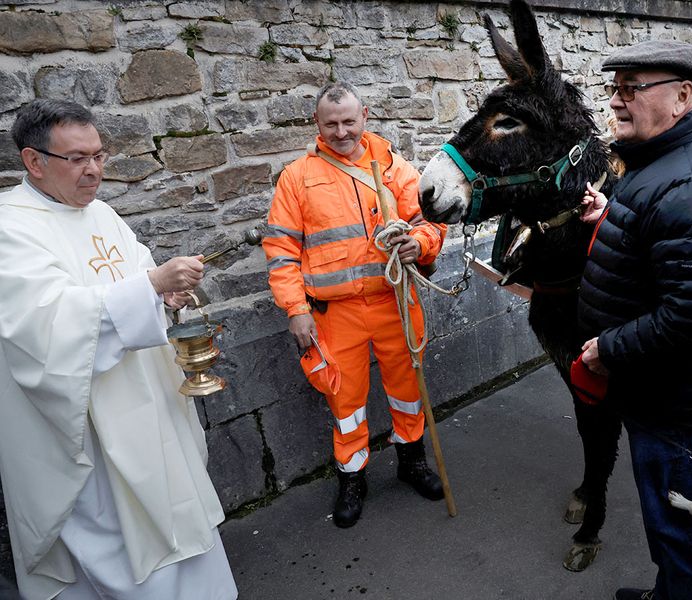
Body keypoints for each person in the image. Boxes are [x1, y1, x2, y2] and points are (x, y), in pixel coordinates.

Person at [0, 99, 238, 600]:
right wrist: (151, 284)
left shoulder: (102, 214)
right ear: (34, 161)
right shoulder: (11, 227)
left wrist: (165, 296)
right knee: (124, 554)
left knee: (181, 524)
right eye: (78, 158)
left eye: (100, 155)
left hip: (150, 411)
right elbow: (43, 327)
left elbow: (138, 284)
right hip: (91, 433)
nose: (94, 171)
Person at [578, 41, 692, 600]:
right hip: (664, 391)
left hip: (670, 398)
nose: (618, 101)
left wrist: (611, 349)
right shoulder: (665, 166)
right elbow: (665, 249)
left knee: (679, 528)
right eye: (616, 88)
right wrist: (613, 218)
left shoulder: (690, 187)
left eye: (633, 87)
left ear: (682, 98)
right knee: (669, 520)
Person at [262, 81, 447, 528]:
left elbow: (428, 220)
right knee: (346, 400)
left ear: (365, 116)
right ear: (317, 124)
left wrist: (418, 246)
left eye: (349, 121)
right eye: (331, 124)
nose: (341, 131)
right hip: (334, 313)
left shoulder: (392, 165)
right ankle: (352, 476)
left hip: (394, 301)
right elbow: (282, 249)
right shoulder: (297, 178)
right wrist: (295, 309)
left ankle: (412, 460)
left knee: (408, 390)